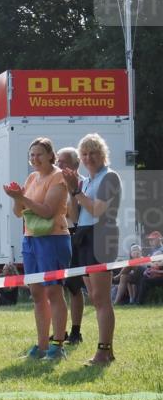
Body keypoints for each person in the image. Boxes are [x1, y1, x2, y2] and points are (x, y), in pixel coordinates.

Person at [3, 137, 70, 361]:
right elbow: (18, 212)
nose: (34, 159)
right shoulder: (32, 177)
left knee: (53, 292)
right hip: (30, 239)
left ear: (51, 155)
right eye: (31, 155)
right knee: (37, 293)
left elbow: (48, 211)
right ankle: (42, 346)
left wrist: (22, 197)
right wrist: (17, 199)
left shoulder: (58, 177)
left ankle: (57, 345)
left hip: (53, 238)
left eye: (39, 154)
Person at [62, 133, 122, 366]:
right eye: (84, 154)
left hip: (102, 235)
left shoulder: (110, 177)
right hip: (84, 236)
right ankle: (108, 351)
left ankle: (103, 352)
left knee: (101, 298)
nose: (89, 158)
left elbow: (97, 210)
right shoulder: (85, 182)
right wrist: (72, 190)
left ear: (102, 154)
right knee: (95, 298)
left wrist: (77, 193)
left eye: (93, 153)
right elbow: (75, 216)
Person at [57, 147, 86, 346]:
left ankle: (76, 332)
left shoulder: (82, 183)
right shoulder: (54, 182)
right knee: (56, 287)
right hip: (56, 237)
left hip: (74, 236)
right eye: (58, 161)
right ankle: (60, 331)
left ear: (76, 164)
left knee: (74, 287)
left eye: (64, 162)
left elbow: (74, 215)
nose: (59, 165)